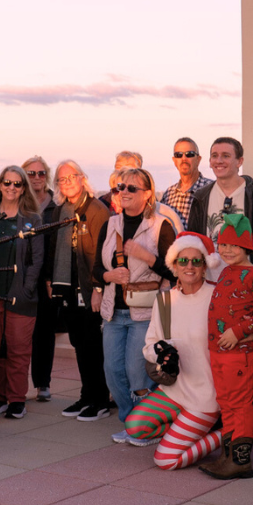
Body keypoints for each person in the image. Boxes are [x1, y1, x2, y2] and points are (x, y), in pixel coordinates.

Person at [126, 232, 226, 468]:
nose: (189, 266)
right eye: (183, 260)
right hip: (174, 390)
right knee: (135, 427)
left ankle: (228, 433)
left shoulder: (217, 297)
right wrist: (160, 352)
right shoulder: (165, 301)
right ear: (174, 265)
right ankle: (186, 429)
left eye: (196, 260)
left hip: (205, 396)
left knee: (166, 460)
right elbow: (150, 345)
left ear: (204, 266)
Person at [93, 168, 176, 437]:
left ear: (148, 194)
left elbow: (176, 271)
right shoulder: (110, 225)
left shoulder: (161, 225)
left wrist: (146, 256)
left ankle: (146, 426)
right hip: (113, 313)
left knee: (137, 373)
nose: (124, 192)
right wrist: (109, 275)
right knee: (113, 372)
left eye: (132, 188)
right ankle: (133, 423)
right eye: (120, 187)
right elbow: (95, 269)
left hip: (147, 312)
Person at [198, 214, 253, 480]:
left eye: (234, 245)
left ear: (247, 247)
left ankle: (241, 461)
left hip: (239, 354)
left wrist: (239, 332)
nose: (227, 250)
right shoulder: (226, 271)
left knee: (240, 404)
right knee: (227, 403)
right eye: (223, 244)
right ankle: (228, 456)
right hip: (219, 353)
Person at [48, 160, 112, 419]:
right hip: (67, 287)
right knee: (79, 345)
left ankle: (101, 400)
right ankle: (86, 396)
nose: (67, 182)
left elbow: (103, 252)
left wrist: (98, 288)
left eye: (71, 177)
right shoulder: (59, 211)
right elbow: (54, 247)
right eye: (62, 179)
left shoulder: (96, 209)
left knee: (94, 345)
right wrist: (50, 280)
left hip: (89, 289)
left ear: (82, 178)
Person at [0, 166, 44, 419]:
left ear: (23, 188)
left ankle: (17, 399)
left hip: (20, 296)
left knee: (18, 350)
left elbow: (37, 260)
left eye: (17, 184)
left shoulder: (33, 219)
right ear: (0, 186)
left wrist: (26, 289)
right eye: (7, 182)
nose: (11, 187)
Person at [186, 137, 253, 280]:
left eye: (226, 156)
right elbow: (193, 243)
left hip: (246, 284)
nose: (219, 160)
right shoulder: (200, 197)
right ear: (209, 162)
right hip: (209, 284)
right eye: (214, 156)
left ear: (239, 161)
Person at [23, 156, 58, 402]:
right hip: (22, 275)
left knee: (44, 332)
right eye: (31, 173)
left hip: (48, 278)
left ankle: (42, 383)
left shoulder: (57, 206)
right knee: (17, 332)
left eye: (41, 173)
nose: (36, 177)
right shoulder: (19, 203)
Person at [160, 137, 213, 225]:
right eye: (179, 155)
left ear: (198, 159)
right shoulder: (169, 194)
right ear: (174, 161)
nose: (184, 158)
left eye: (189, 154)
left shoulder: (210, 189)